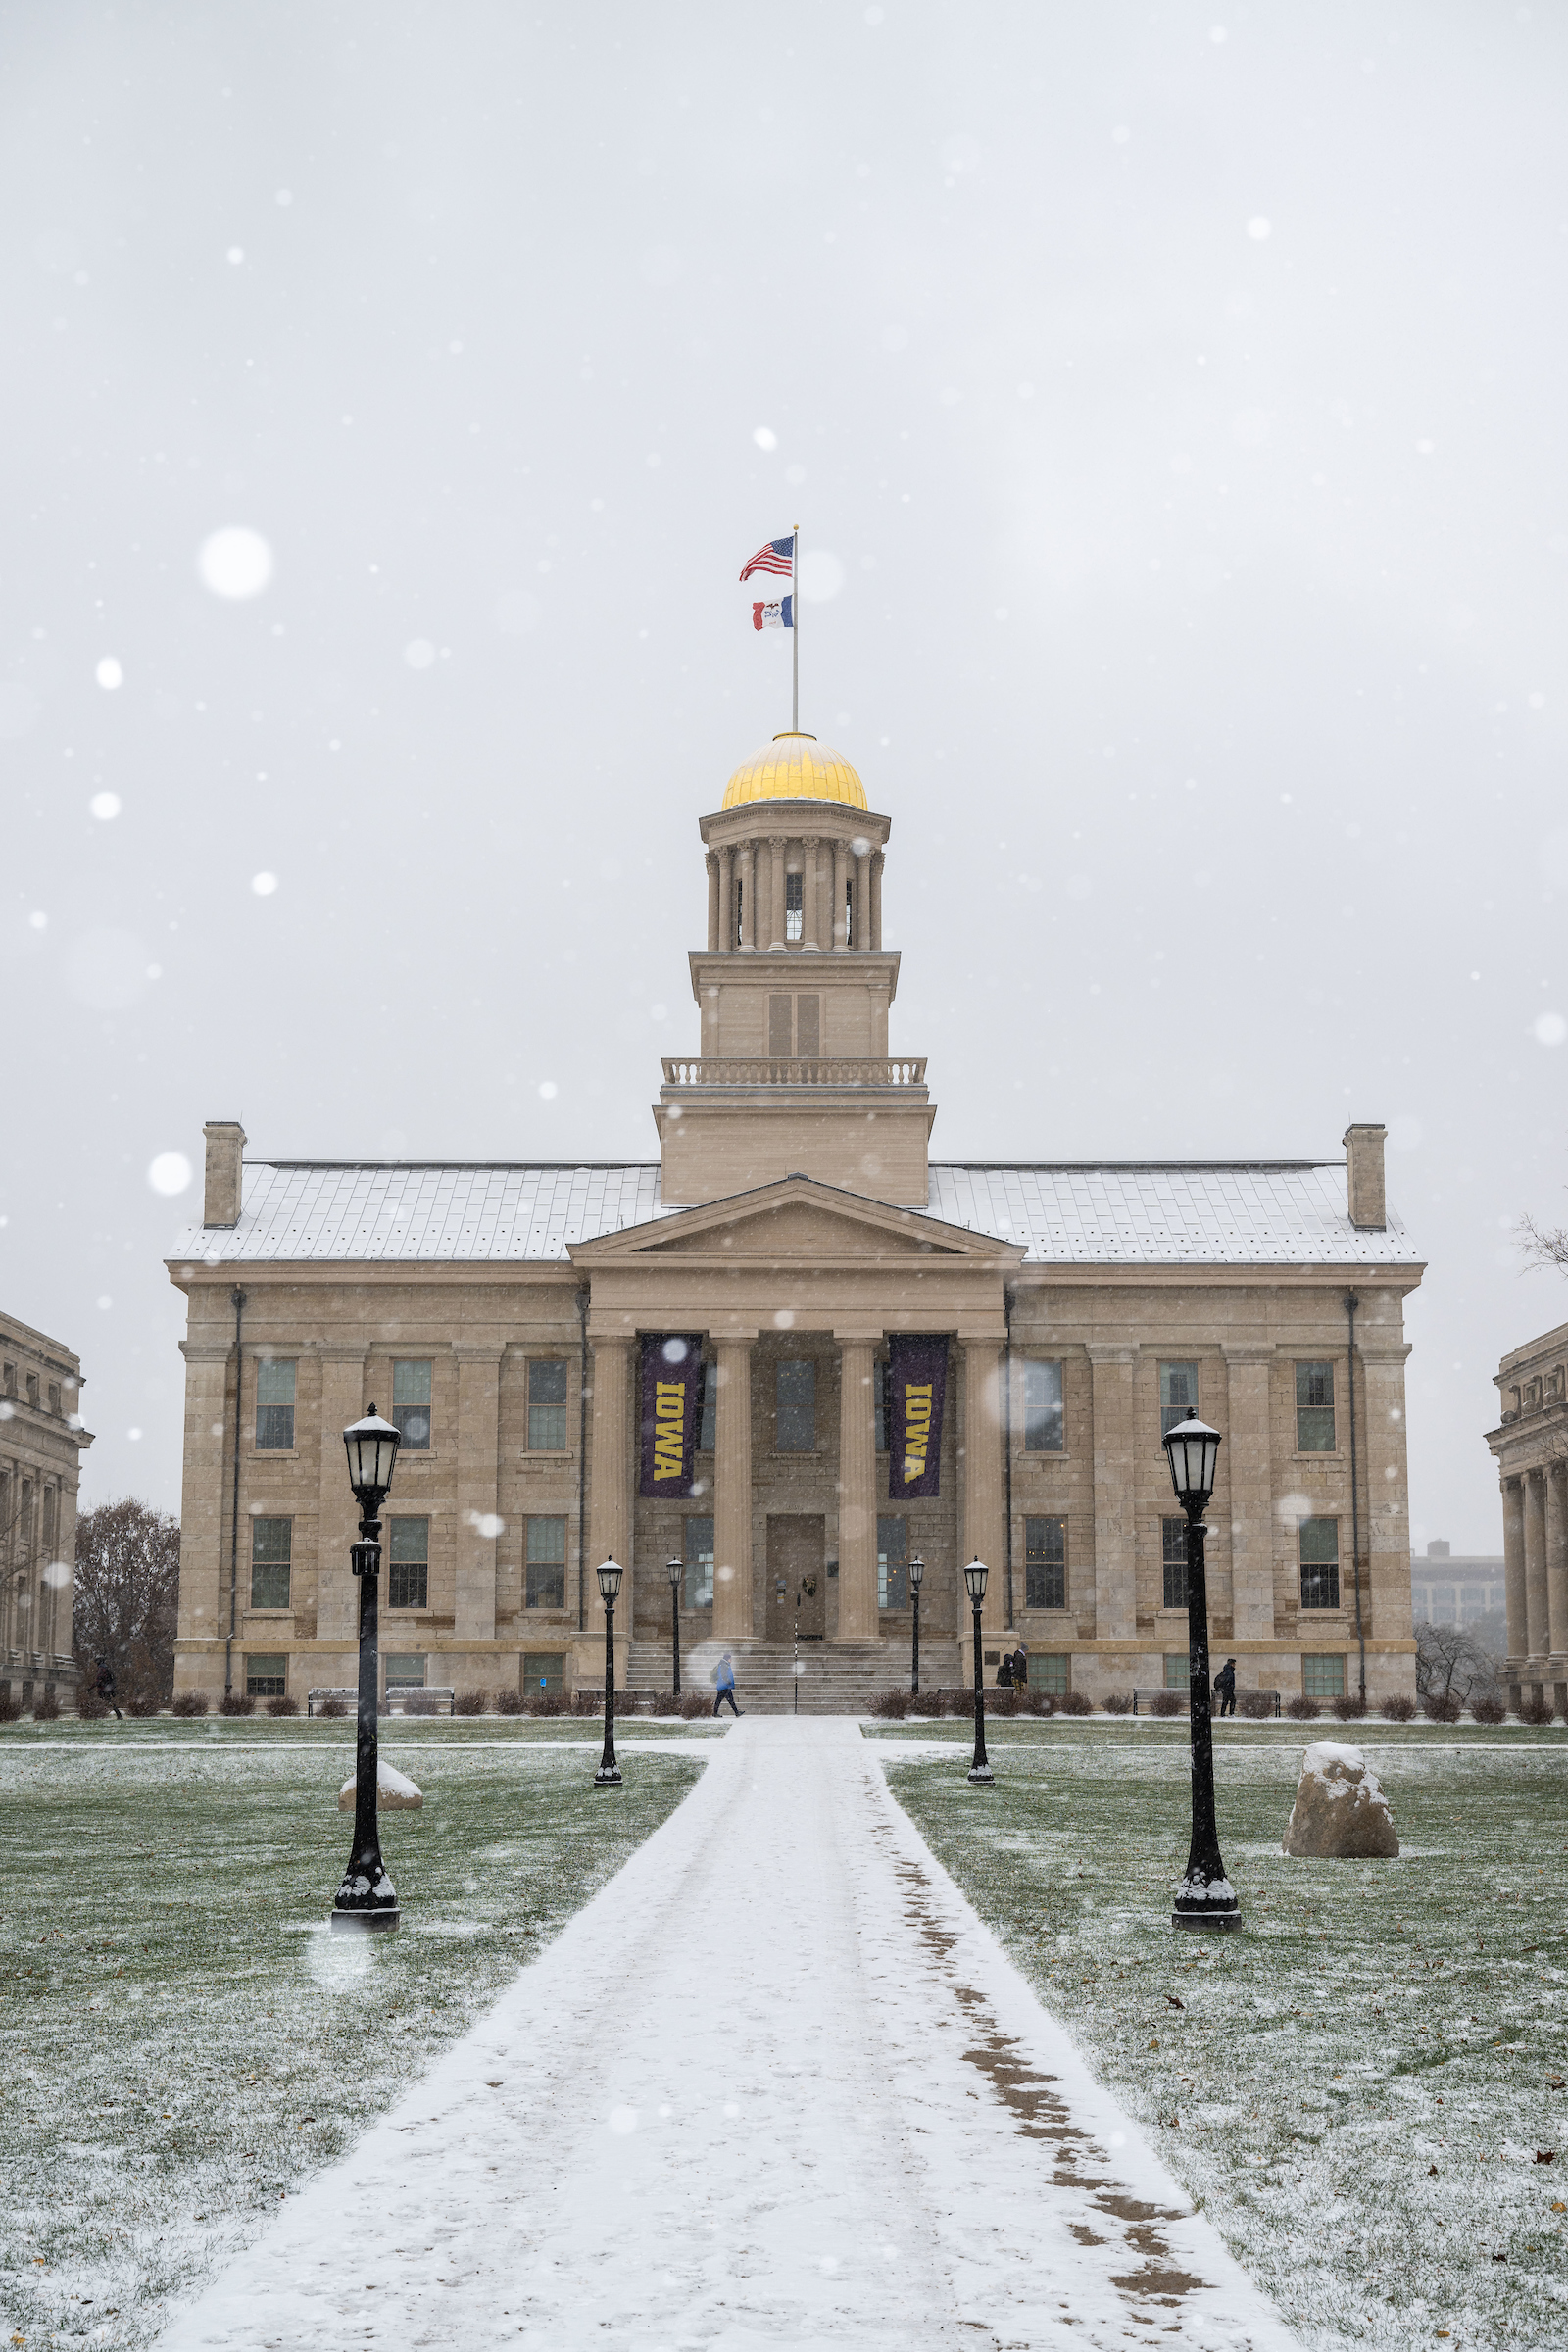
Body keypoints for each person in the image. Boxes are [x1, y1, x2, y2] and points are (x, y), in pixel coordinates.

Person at [712, 1651, 741, 1718]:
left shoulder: (724, 1664)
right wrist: (728, 1681)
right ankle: (736, 1712)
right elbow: (724, 1675)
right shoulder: (724, 1665)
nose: (731, 1660)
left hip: (724, 1686)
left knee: (724, 1700)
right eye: (730, 1659)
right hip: (724, 1686)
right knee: (727, 1700)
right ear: (727, 1659)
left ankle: (736, 1712)